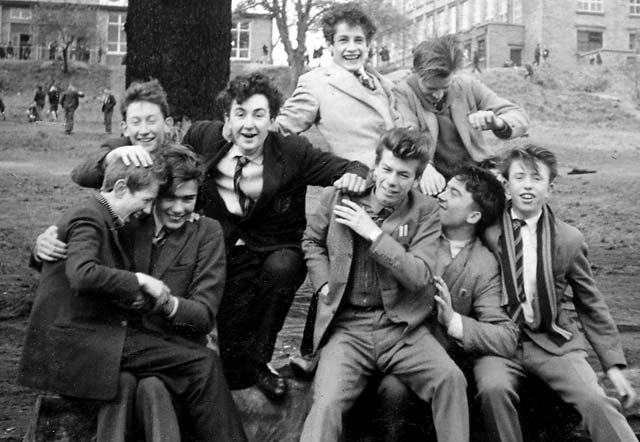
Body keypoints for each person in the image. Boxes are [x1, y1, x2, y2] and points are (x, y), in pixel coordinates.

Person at [68, 73, 369, 401]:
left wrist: (356, 176)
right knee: (228, 340)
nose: (249, 125)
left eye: (258, 115)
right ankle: (229, 370)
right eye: (240, 114)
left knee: (281, 268)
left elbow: (352, 167)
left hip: (275, 246)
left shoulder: (293, 151)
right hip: (224, 244)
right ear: (227, 119)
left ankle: (259, 363)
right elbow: (155, 153)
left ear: (272, 119)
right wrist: (112, 154)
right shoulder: (204, 137)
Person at [22, 145, 249, 442]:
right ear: (154, 195)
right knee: (130, 383)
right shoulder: (127, 218)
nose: (180, 209)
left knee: (184, 372)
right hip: (113, 341)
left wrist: (165, 303)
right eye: (170, 198)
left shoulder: (205, 232)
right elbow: (80, 256)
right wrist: (43, 247)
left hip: (165, 343)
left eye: (189, 199)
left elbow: (203, 314)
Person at [299, 127, 469, 442]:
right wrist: (322, 283)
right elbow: (312, 242)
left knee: (451, 379)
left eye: (404, 175)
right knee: (325, 403)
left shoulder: (425, 212)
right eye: (387, 170)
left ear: (416, 179)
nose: (392, 181)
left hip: (402, 329)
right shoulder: (339, 197)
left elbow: (420, 275)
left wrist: (374, 234)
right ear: (375, 166)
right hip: (348, 328)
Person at [476, 144, 640, 442]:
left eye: (536, 179)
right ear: (506, 185)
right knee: (493, 389)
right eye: (519, 177)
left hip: (554, 340)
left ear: (550, 188)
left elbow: (590, 304)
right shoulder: (488, 232)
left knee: (594, 398)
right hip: (500, 342)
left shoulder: (568, 239)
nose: (527, 185)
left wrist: (614, 367)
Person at [361, 164, 519, 442]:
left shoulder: (483, 265)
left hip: (441, 364)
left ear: (474, 216)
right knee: (392, 392)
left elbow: (506, 336)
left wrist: (454, 321)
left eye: (453, 193)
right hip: (383, 345)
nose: (441, 196)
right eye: (444, 188)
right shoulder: (414, 231)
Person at [394, 35, 530, 196]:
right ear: (415, 72)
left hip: (476, 169)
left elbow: (518, 115)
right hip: (434, 175)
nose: (438, 95)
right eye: (430, 89)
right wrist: (424, 168)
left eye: (445, 87)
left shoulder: (467, 85)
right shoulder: (402, 93)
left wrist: (498, 123)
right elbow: (407, 135)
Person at [275, 2, 402, 166]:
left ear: (367, 45)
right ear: (330, 45)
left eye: (358, 40)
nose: (352, 48)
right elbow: (281, 128)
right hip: (356, 183)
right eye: (343, 40)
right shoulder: (315, 83)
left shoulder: (384, 84)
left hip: (396, 182)